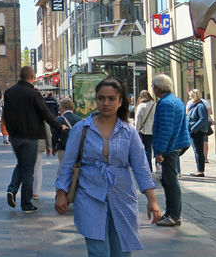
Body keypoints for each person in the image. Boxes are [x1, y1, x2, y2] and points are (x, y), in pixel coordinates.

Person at [55, 77, 161, 256]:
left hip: (122, 195)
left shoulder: (129, 132)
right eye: (101, 98)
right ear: (96, 100)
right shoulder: (82, 128)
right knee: (98, 251)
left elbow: (141, 167)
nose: (106, 103)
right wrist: (61, 194)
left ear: (120, 101)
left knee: (122, 249)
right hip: (89, 194)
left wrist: (152, 199)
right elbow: (67, 164)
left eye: (111, 98)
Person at [2, 67, 67, 213]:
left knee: (21, 164)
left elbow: (6, 114)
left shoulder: (9, 92)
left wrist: (10, 132)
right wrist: (58, 126)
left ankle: (12, 190)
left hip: (15, 137)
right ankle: (26, 203)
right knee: (28, 170)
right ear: (32, 76)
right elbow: (45, 114)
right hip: (31, 137)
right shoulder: (33, 94)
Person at [151, 74, 191, 227]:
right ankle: (170, 213)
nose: (152, 89)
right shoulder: (174, 100)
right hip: (176, 144)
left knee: (170, 181)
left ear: (159, 87)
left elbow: (165, 130)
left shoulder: (166, 103)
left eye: (153, 86)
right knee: (168, 181)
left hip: (170, 146)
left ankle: (174, 215)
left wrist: (160, 151)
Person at [186, 89, 209, 177]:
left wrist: (193, 128)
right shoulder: (195, 105)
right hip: (194, 131)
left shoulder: (200, 106)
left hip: (197, 132)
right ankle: (200, 170)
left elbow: (202, 119)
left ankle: (200, 171)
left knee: (198, 151)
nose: (189, 98)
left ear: (194, 97)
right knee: (197, 151)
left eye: (190, 96)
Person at [55, 98, 83, 167]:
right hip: (76, 147)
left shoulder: (59, 120)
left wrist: (53, 146)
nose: (59, 108)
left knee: (62, 166)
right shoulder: (79, 119)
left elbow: (55, 134)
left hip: (62, 147)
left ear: (63, 107)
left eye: (60, 106)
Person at [134, 90, 157, 172]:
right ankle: (159, 168)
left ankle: (149, 168)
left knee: (147, 150)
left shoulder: (141, 106)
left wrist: (136, 132)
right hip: (155, 131)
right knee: (157, 150)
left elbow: (137, 121)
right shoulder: (155, 105)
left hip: (145, 131)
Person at [33, 119, 52, 200]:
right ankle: (35, 193)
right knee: (37, 167)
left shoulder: (25, 111)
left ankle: (27, 190)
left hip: (26, 143)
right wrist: (49, 146)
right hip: (39, 143)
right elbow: (47, 132)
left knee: (27, 168)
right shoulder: (41, 114)